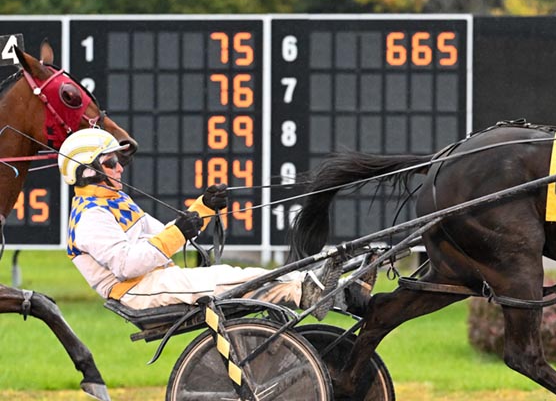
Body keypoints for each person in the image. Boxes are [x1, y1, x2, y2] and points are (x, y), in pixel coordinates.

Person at [61, 128, 369, 313]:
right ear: (88, 171)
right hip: (135, 290)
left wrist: (203, 208)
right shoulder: (91, 217)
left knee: (234, 274)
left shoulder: (113, 201)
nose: (119, 168)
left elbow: (164, 234)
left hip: (155, 280)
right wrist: (178, 233)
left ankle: (336, 293)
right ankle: (309, 290)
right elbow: (127, 265)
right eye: (111, 162)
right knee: (226, 280)